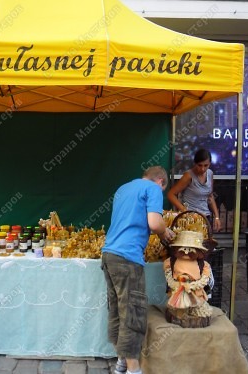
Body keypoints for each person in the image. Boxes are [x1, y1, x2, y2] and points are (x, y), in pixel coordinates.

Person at [102, 166, 175, 374]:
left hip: (109, 255)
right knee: (133, 313)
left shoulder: (123, 188)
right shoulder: (152, 189)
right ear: (160, 181)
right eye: (162, 190)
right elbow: (154, 222)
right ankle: (133, 370)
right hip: (127, 258)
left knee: (117, 311)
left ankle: (121, 362)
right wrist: (164, 231)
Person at [167, 148, 221, 233]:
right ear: (195, 163)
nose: (203, 169)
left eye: (206, 165)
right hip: (190, 219)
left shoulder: (210, 174)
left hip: (206, 217)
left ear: (210, 164)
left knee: (206, 244)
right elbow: (171, 194)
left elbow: (210, 196)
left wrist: (217, 217)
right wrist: (185, 211)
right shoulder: (188, 176)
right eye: (200, 165)